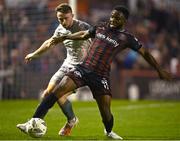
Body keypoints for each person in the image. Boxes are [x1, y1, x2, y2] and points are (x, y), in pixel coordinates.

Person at [18, 5, 172, 140]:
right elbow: (84, 34)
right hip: (83, 69)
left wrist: (159, 70)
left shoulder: (127, 38)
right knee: (55, 92)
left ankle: (109, 131)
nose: (112, 19)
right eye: (112, 16)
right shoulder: (100, 27)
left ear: (124, 20)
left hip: (101, 76)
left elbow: (145, 53)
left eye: (117, 18)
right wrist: (66, 36)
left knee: (106, 113)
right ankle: (34, 121)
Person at [17, 3, 91, 136]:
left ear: (72, 16)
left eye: (65, 18)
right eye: (60, 19)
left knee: (57, 95)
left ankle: (67, 121)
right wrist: (34, 54)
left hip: (81, 69)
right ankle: (40, 121)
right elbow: (49, 42)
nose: (63, 22)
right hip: (67, 64)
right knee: (48, 93)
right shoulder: (60, 29)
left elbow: (93, 38)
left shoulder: (83, 26)